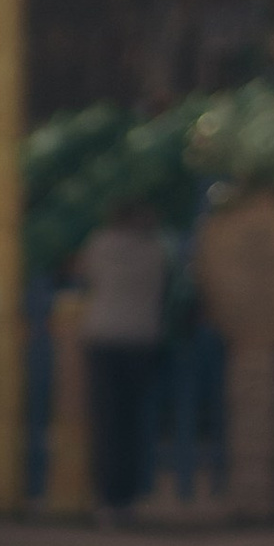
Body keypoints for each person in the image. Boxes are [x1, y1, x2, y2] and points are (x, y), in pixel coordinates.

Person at [74, 196, 167, 521]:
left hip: (103, 338)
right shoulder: (156, 251)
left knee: (106, 423)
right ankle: (128, 497)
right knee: (132, 423)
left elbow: (85, 276)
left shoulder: (99, 245)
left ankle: (106, 499)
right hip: (142, 340)